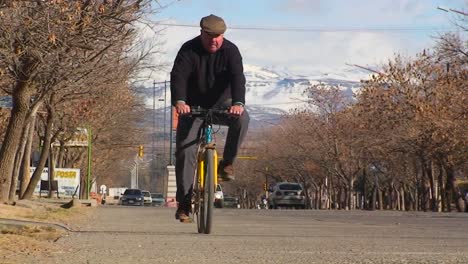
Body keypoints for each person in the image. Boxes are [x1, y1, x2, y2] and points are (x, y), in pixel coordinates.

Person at [170, 14, 249, 222]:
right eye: (210, 36)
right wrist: (179, 101)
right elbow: (178, 76)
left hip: (223, 105)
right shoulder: (188, 50)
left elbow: (238, 77)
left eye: (219, 36)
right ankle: (184, 204)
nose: (214, 40)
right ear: (201, 33)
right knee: (185, 152)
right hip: (192, 107)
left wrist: (238, 103)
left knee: (242, 119)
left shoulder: (231, 51)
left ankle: (227, 164)